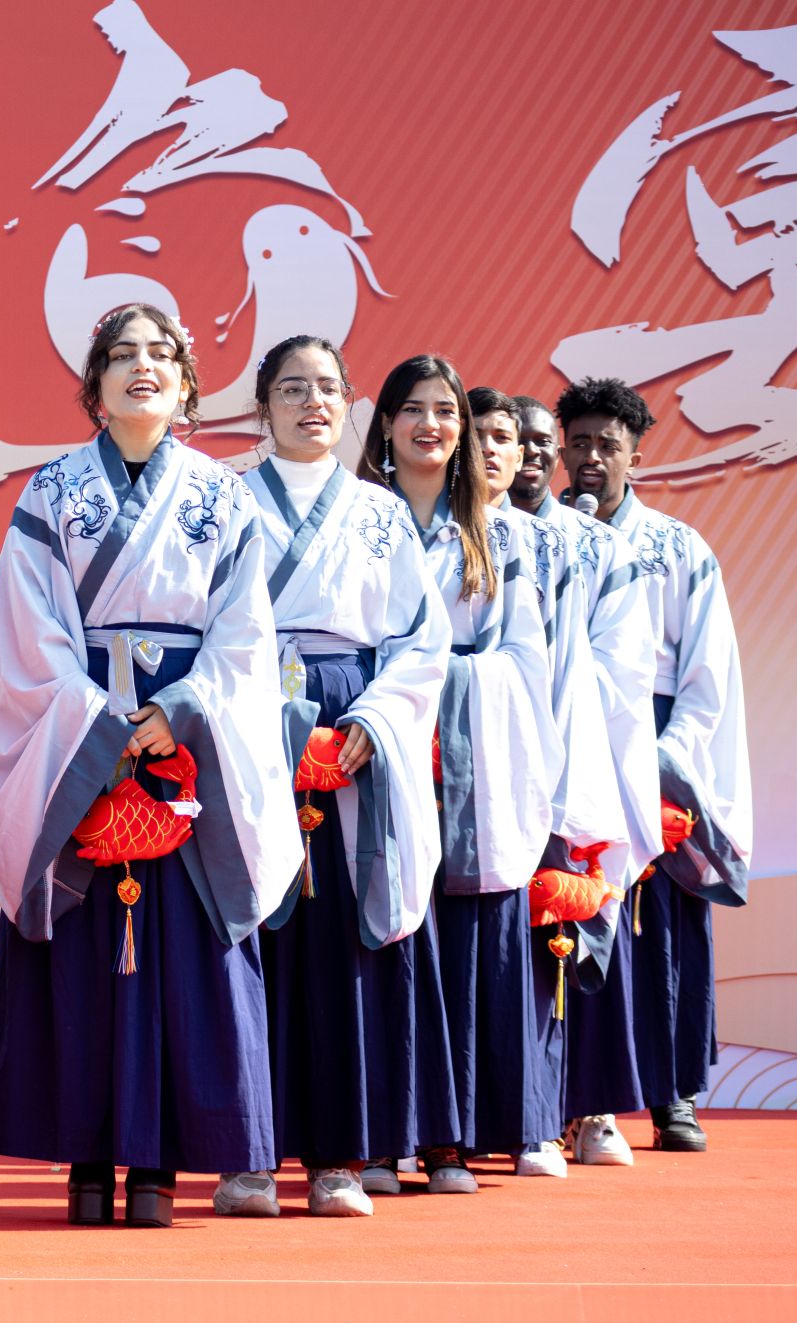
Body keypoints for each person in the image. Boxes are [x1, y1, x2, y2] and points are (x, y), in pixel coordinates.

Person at [0, 304, 302, 1226]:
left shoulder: (223, 496)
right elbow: (25, 628)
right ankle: (86, 1158)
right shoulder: (52, 491)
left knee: (184, 954)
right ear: (96, 384)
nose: (141, 367)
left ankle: (159, 1163)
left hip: (186, 738)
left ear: (187, 384)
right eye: (121, 355)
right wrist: (95, 723)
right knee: (83, 949)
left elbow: (247, 633)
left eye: (161, 355)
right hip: (78, 733)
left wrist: (180, 710)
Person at [235, 336, 455, 1215]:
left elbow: (422, 638)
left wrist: (375, 718)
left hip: (352, 724)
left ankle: (336, 1157)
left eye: (328, 387)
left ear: (350, 402)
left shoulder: (380, 513)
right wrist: (248, 717)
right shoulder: (226, 500)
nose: (313, 403)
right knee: (253, 938)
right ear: (262, 407)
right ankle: (246, 1153)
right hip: (252, 713)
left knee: (339, 947)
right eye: (292, 389)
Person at [357, 356, 558, 1197]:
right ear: (386, 424)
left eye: (446, 410)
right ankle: (379, 1135)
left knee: (467, 940)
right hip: (380, 742)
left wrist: (445, 680)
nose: (431, 425)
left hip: (470, 755)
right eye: (413, 409)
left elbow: (527, 655)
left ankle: (452, 1136)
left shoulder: (502, 533)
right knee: (391, 936)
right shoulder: (359, 519)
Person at [558, 377, 751, 1153]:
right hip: (572, 741)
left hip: (657, 748)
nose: (592, 457)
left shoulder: (679, 547)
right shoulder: (542, 535)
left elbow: (708, 674)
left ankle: (674, 1093)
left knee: (663, 929)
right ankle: (570, 1095)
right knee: (571, 912)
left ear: (636, 455)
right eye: (579, 442)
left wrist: (664, 767)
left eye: (608, 444)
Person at [471, 386, 636, 1178]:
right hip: (466, 765)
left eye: (534, 439)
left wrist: (570, 763)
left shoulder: (580, 546)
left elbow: (601, 671)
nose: (528, 452)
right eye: (507, 436)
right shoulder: (441, 531)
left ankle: (570, 1110)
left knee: (557, 942)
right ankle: (471, 1119)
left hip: (559, 761)